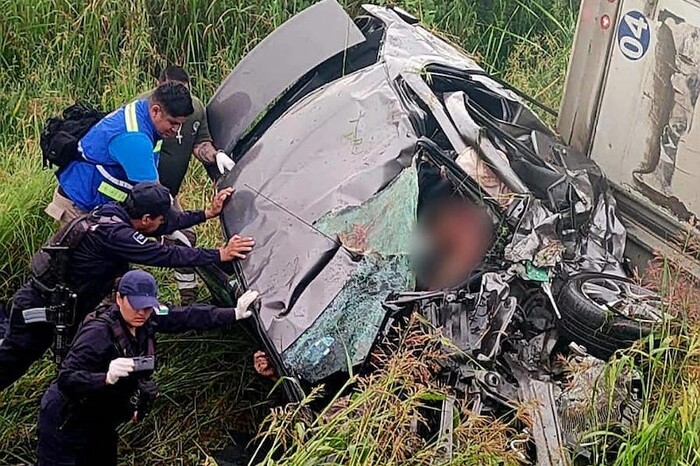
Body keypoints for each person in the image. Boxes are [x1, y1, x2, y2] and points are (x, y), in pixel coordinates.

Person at [0, 182, 255, 391]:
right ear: (144, 219)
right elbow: (164, 254)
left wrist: (205, 214)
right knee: (14, 359)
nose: (163, 224)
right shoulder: (116, 236)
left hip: (63, 304)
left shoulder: (112, 213)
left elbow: (161, 226)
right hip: (42, 306)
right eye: (159, 219)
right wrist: (219, 254)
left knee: (75, 360)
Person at [35, 269, 260, 466]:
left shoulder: (149, 317)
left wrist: (234, 313)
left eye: (147, 307)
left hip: (101, 418)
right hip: (67, 420)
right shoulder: (97, 334)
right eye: (136, 306)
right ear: (119, 299)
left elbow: (186, 316)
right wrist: (105, 377)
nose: (142, 313)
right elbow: (67, 378)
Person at [142, 65, 237, 304]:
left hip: (168, 192)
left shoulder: (194, 109)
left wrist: (215, 155)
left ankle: (189, 301)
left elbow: (200, 143)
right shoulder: (146, 112)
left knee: (185, 237)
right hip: (142, 192)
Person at [45, 81, 194, 226]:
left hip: (96, 204)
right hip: (78, 206)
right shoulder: (135, 139)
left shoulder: (143, 111)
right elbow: (155, 196)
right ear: (155, 111)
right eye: (173, 123)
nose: (176, 130)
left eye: (180, 124)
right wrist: (181, 224)